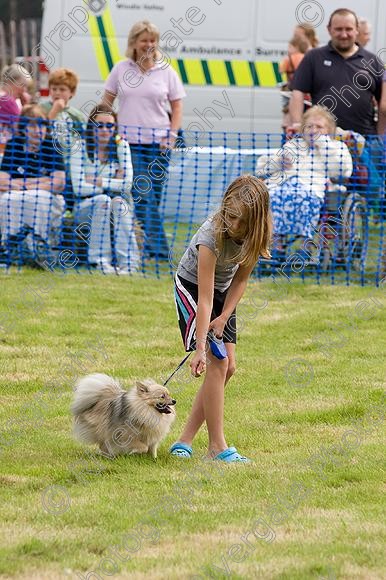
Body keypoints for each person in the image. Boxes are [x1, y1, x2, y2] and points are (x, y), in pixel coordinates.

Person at [170, 175, 272, 463]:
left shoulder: (256, 235)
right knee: (218, 362)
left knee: (229, 368)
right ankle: (217, 447)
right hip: (193, 288)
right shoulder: (211, 235)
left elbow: (240, 280)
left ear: (254, 220)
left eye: (237, 218)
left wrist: (225, 316)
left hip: (224, 292)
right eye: (227, 213)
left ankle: (184, 440)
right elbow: (204, 299)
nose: (229, 222)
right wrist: (200, 348)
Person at [102, 20, 186, 260]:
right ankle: (160, 251)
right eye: (144, 40)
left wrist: (171, 136)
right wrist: (110, 129)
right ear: (134, 43)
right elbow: (106, 102)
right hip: (128, 144)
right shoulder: (121, 68)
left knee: (153, 198)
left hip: (160, 144)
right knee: (142, 194)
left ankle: (148, 247)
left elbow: (177, 106)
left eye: (153, 40)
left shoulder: (166, 71)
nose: (149, 44)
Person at [256, 105, 353, 243]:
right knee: (271, 197)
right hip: (283, 186)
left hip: (314, 190)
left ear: (329, 130)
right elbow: (262, 168)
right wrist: (278, 162)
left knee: (303, 198)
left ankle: (304, 243)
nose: (314, 131)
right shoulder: (294, 144)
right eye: (309, 126)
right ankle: (275, 242)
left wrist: (323, 144)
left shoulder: (337, 147)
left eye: (319, 127)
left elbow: (342, 171)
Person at [289, 9, 384, 136]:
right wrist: (298, 126)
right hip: (322, 141)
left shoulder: (373, 61)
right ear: (329, 29)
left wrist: (380, 137)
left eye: (348, 29)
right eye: (338, 29)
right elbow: (297, 93)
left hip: (364, 143)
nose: (344, 34)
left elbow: (383, 105)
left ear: (357, 29)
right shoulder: (314, 57)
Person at [70, 104, 139, 275]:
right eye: (100, 125)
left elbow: (127, 184)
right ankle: (100, 261)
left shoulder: (121, 146)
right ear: (91, 127)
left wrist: (97, 181)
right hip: (83, 207)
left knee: (118, 202)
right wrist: (113, 181)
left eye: (110, 126)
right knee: (104, 200)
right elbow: (78, 188)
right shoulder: (79, 146)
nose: (105, 130)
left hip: (115, 203)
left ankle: (129, 264)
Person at [0, 105, 65, 263]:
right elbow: (2, 181)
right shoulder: (14, 145)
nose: (38, 130)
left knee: (37, 197)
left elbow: (58, 183)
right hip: (16, 194)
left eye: (42, 124)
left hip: (46, 197)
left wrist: (22, 184)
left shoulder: (53, 146)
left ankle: (38, 247)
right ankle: (10, 247)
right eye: (33, 125)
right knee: (8, 198)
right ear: (23, 129)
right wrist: (41, 181)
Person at [279, 35, 309, 131]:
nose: (288, 49)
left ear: (296, 47)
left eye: (290, 47)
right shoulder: (307, 58)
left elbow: (281, 70)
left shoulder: (289, 59)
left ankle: (287, 125)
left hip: (292, 89)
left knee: (288, 106)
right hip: (306, 92)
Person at [0, 64, 32, 151]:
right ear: (11, 82)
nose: (24, 90)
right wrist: (27, 107)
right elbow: (22, 129)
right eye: (22, 85)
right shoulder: (8, 101)